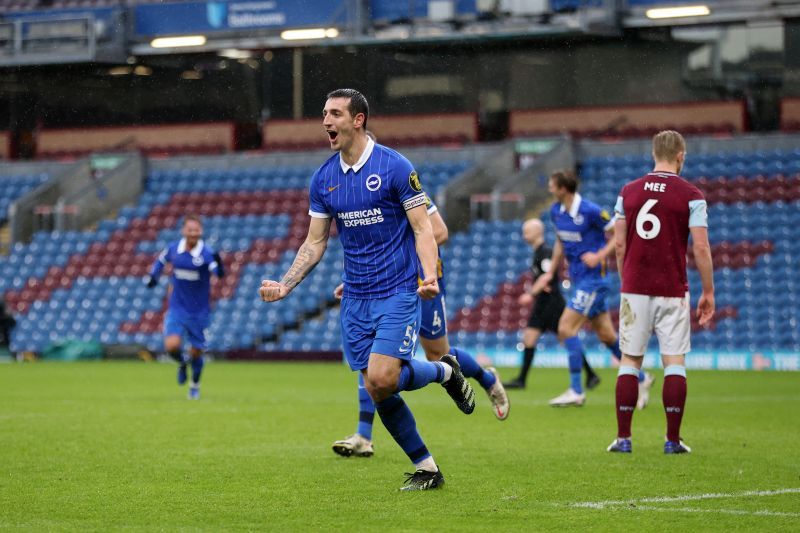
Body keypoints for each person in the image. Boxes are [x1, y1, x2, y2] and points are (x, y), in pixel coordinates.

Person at [259, 88, 475, 491]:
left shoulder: (394, 166)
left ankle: (446, 371)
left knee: (383, 374)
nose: (326, 121)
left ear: (357, 120)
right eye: (324, 113)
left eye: (335, 114)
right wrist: (285, 284)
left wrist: (428, 276)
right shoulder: (324, 178)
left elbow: (423, 228)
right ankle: (428, 467)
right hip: (355, 297)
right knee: (377, 387)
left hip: (397, 291)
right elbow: (315, 241)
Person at [332, 193, 510, 459]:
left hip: (423, 283)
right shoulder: (366, 200)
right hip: (384, 287)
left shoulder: (405, 189)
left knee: (438, 354)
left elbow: (439, 231)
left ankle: (488, 379)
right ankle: (363, 436)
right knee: (372, 354)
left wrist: (401, 260)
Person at [607, 130, 714, 454]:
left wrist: (627, 276)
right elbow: (701, 246)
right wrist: (708, 290)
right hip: (671, 288)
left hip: (635, 287)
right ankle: (672, 440)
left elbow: (620, 242)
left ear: (654, 155)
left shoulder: (628, 192)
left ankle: (624, 438)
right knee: (674, 363)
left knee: (629, 361)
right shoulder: (692, 194)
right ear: (680, 155)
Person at [538, 171, 653, 407]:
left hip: (594, 281)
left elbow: (618, 233)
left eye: (552, 185)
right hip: (580, 279)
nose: (549, 189)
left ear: (563, 188)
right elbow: (561, 241)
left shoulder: (590, 210)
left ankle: (576, 390)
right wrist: (552, 271)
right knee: (607, 336)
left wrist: (600, 254)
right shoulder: (556, 212)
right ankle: (642, 378)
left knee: (565, 328)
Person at [504, 218, 600, 390]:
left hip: (552, 303)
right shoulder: (538, 252)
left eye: (527, 231)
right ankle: (521, 379)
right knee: (529, 338)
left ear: (537, 232)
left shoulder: (545, 252)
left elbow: (546, 276)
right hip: (542, 304)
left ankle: (590, 374)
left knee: (567, 338)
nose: (524, 234)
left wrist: (530, 294)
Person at [146, 215, 224, 400]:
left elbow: (218, 273)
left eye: (196, 230)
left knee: (196, 352)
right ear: (184, 231)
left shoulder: (206, 253)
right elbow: (160, 262)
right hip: (177, 307)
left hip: (199, 310)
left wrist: (219, 263)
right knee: (172, 345)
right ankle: (182, 363)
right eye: (190, 229)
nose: (193, 233)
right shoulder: (174, 249)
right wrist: (153, 277)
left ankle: (194, 385)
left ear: (201, 232)